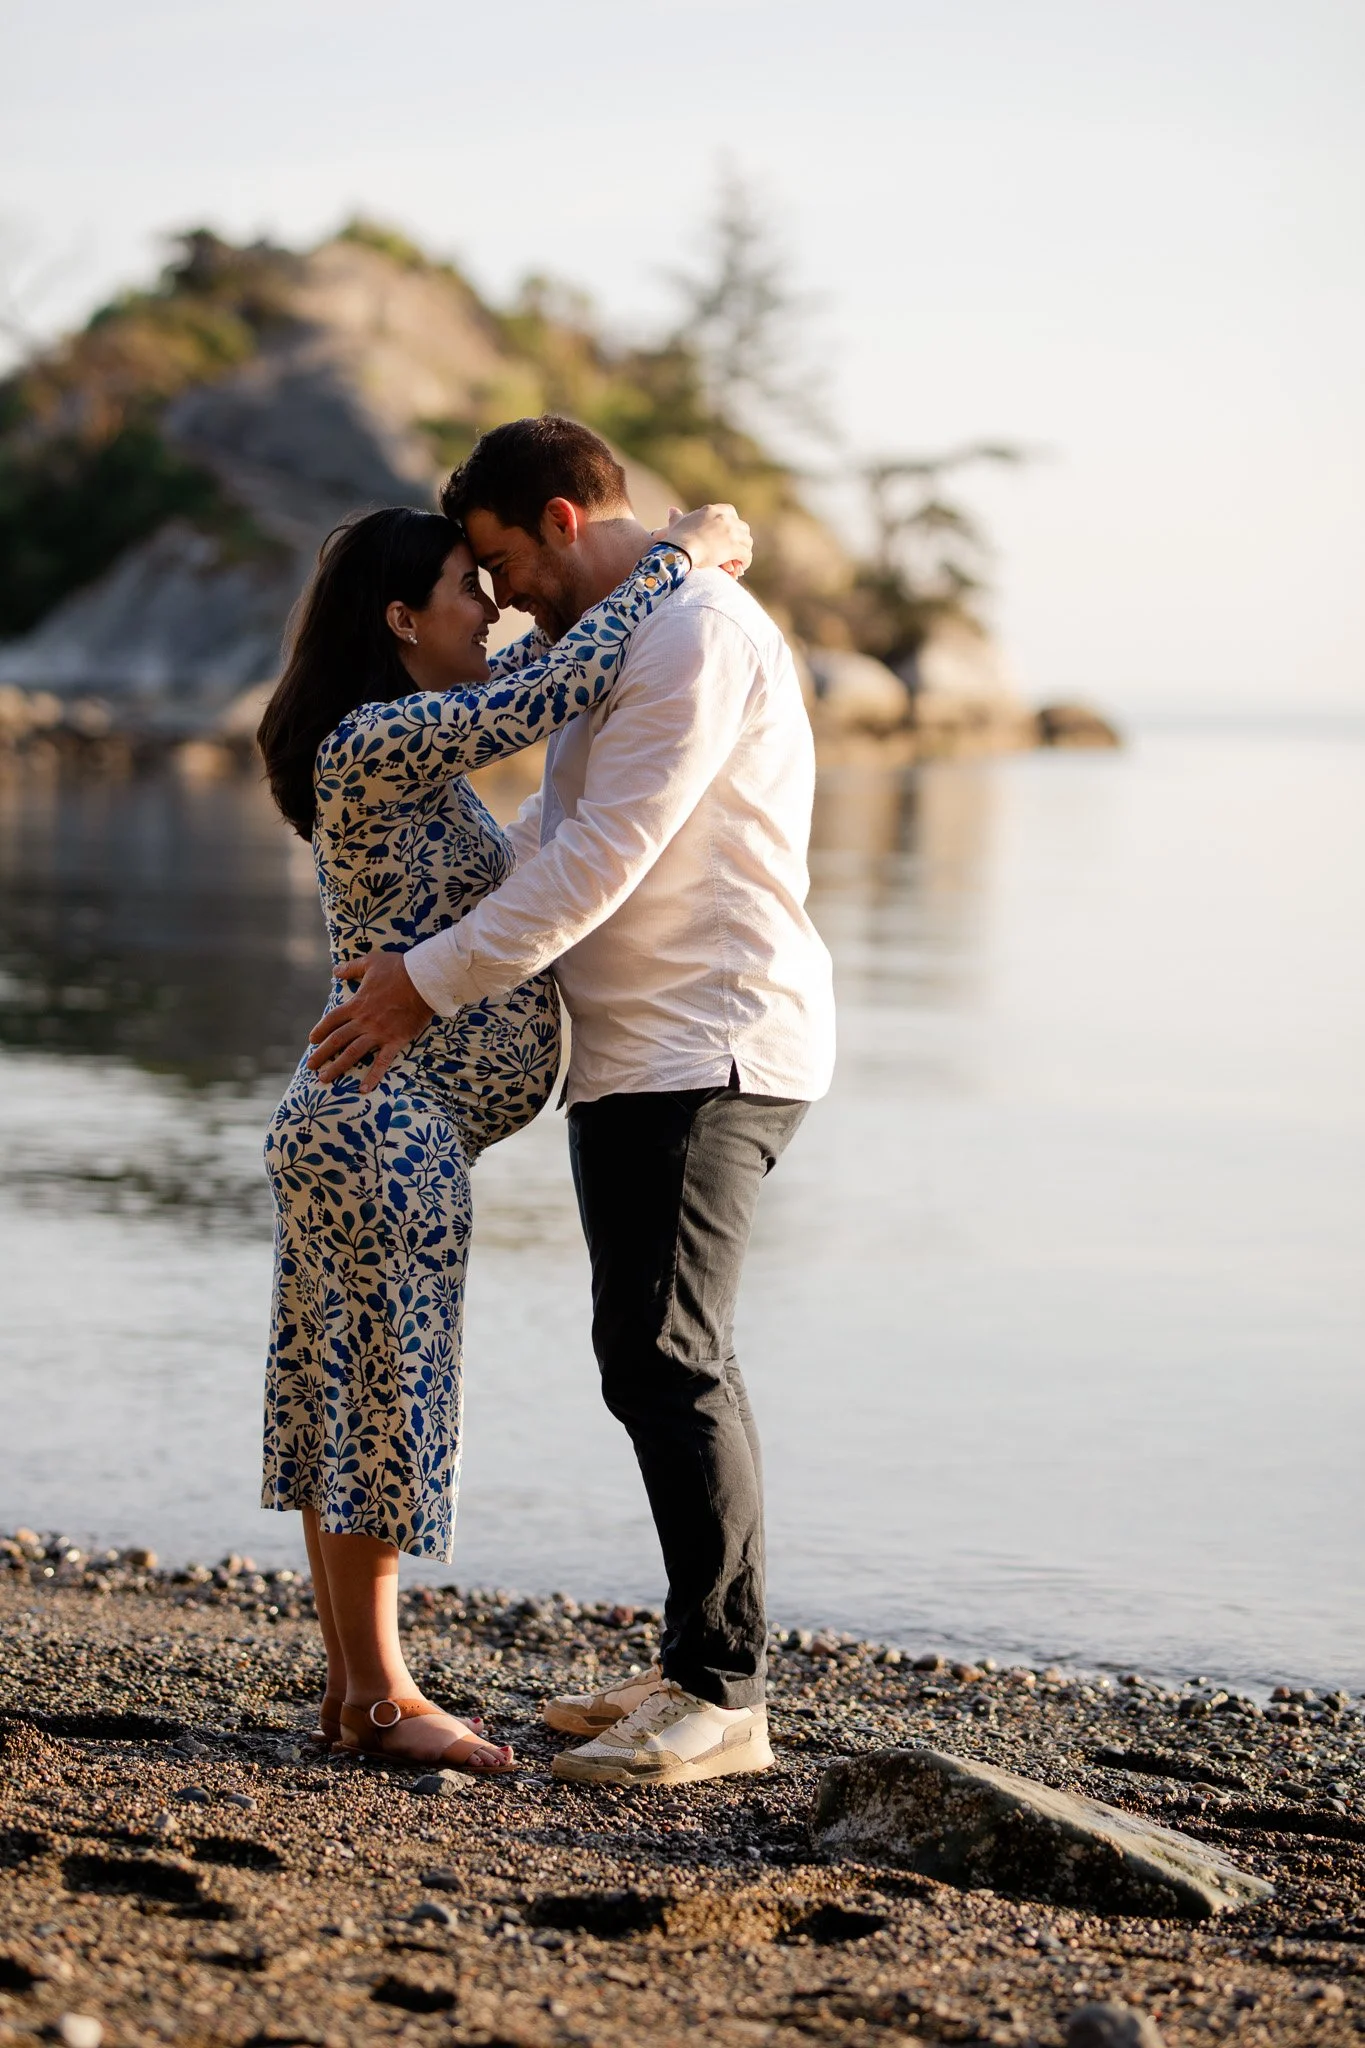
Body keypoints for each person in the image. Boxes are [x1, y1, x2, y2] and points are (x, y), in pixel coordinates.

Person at [307, 416, 836, 1788]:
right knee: (643, 1353)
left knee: (671, 1356)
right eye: (467, 579)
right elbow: (547, 836)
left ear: (555, 518)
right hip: (632, 1053)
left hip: (708, 1043)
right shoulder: (615, 644)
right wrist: (428, 957)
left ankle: (722, 1695)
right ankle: (688, 1666)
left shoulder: (693, 633)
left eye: (498, 562)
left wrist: (424, 983)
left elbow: (610, 847)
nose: (497, 600)